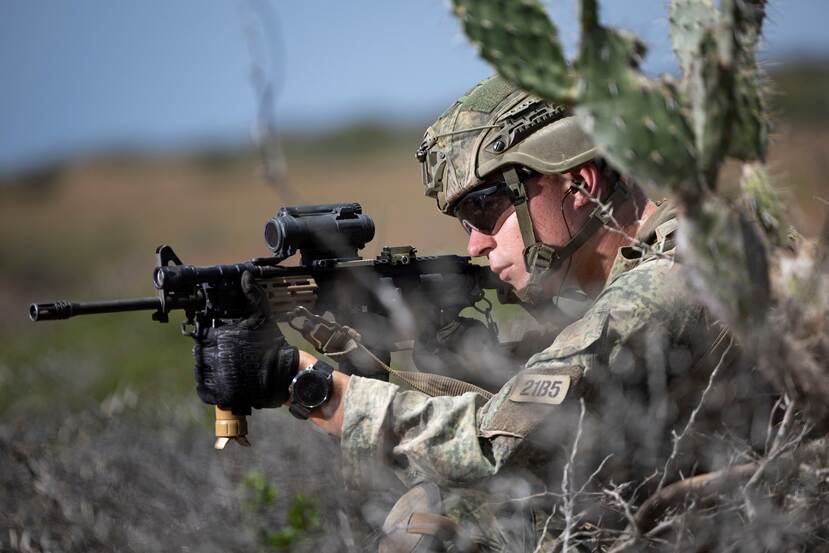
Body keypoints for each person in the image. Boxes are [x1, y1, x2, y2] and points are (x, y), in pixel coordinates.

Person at [192, 75, 774, 551]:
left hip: (748, 523)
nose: (474, 245)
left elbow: (493, 448)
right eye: (464, 223)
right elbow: (549, 410)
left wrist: (305, 383)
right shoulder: (691, 244)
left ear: (579, 183)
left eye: (487, 209)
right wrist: (367, 356)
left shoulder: (662, 287)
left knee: (435, 521)